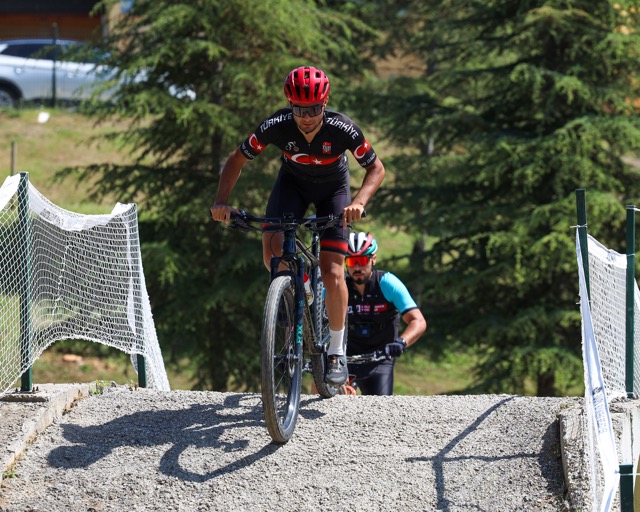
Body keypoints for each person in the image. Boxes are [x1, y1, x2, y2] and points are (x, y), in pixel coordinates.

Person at [211, 66, 385, 386]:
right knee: (273, 253)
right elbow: (237, 158)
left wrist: (359, 202)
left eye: (314, 109)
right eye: (299, 109)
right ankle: (299, 286)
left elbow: (376, 168)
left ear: (325, 103)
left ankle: (336, 352)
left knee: (333, 271)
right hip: (292, 186)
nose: (306, 117)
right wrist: (221, 202)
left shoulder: (342, 128)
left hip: (333, 192)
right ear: (289, 104)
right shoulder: (276, 125)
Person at [345, 232, 427, 395]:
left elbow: (418, 321)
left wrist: (401, 342)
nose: (357, 268)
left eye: (363, 261)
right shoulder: (339, 287)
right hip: (345, 358)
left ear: (373, 259)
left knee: (379, 407)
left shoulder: (387, 283)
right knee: (327, 400)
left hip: (380, 359)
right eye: (352, 262)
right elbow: (314, 318)